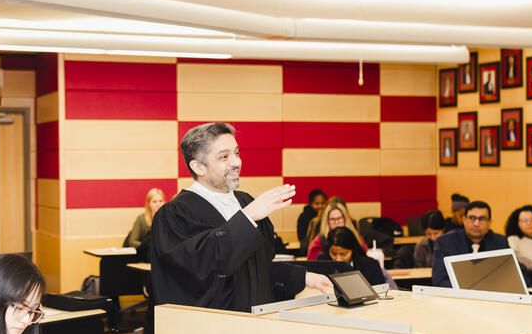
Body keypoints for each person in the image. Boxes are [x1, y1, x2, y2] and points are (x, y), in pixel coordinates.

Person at [149, 123, 330, 312]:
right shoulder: (174, 214)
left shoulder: (245, 201)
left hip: (256, 323)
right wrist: (248, 217)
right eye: (224, 157)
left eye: (237, 153)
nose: (236, 162)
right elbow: (201, 267)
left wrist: (301, 277)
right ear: (199, 167)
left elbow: (255, 268)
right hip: (213, 329)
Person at [431, 201, 510, 288]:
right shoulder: (445, 242)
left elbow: (510, 275)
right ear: (464, 220)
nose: (476, 224)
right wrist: (473, 289)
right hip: (457, 297)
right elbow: (439, 280)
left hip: (491, 296)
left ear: (490, 223)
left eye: (482, 218)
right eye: (472, 218)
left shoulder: (500, 242)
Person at [318, 227, 385, 286]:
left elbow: (380, 294)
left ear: (353, 250)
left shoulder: (370, 265)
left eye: (343, 254)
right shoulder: (321, 263)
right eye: (334, 253)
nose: (338, 259)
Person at [306, 196, 367, 261]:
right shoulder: (318, 242)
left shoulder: (356, 237)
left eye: (339, 218)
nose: (336, 222)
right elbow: (311, 265)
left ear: (345, 219)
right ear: (327, 221)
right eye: (332, 219)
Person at [124, 187, 166, 257]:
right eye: (154, 202)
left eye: (160, 201)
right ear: (149, 204)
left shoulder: (168, 219)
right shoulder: (141, 219)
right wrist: (146, 246)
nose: (158, 204)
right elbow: (132, 242)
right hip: (144, 254)